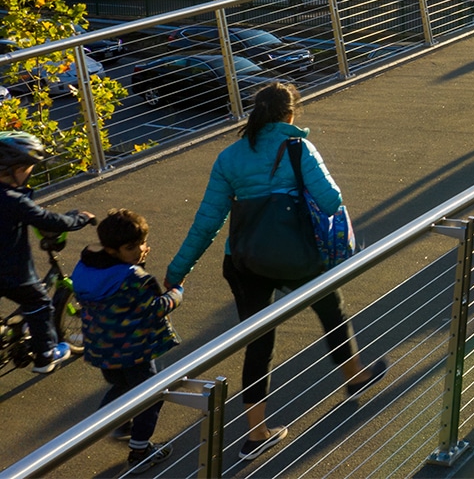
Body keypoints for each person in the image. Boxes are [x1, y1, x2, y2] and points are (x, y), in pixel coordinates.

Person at [165, 82, 387, 462]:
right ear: (290, 115)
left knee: (259, 340)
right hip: (297, 254)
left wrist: (177, 271)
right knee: (331, 309)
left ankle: (256, 433)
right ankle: (354, 375)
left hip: (246, 261)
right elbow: (331, 200)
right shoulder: (299, 148)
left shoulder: (229, 157)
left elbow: (207, 222)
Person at [72, 209, 182, 474]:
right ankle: (141, 450)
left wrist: (134, 262)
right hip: (135, 350)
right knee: (151, 396)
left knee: (120, 385)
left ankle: (113, 420)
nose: (140, 250)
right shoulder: (133, 278)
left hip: (102, 348)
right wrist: (177, 294)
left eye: (141, 243)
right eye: (131, 247)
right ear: (112, 250)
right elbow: (155, 308)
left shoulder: (85, 269)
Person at [0, 132, 94, 373]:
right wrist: (79, 218)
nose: (30, 173)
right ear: (15, 169)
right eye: (29, 168)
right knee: (39, 303)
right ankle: (46, 355)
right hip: (10, 271)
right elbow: (51, 221)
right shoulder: (13, 201)